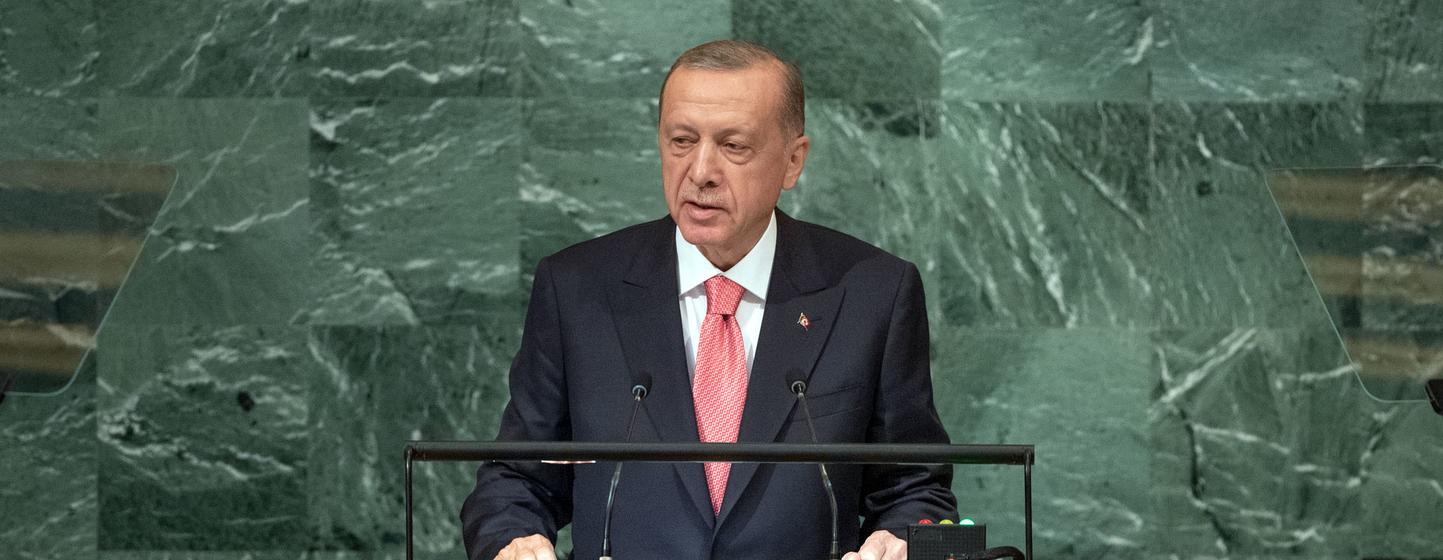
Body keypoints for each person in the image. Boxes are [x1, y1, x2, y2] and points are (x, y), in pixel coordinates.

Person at [461, 40, 956, 560]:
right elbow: (514, 480)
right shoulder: (578, 289)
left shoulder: (872, 293)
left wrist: (903, 539)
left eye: (733, 146)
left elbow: (918, 489)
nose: (700, 171)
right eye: (681, 140)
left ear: (792, 162)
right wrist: (513, 540)